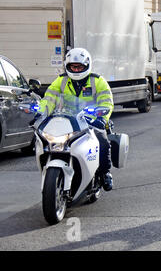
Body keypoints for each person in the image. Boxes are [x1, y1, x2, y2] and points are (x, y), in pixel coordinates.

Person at [37, 48, 115, 191]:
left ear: (86, 66)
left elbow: (107, 102)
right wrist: (41, 113)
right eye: (73, 66)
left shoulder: (97, 81)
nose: (76, 69)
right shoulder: (61, 81)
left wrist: (102, 118)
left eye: (79, 66)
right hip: (67, 120)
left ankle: (105, 173)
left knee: (102, 140)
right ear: (68, 66)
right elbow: (49, 98)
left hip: (90, 121)